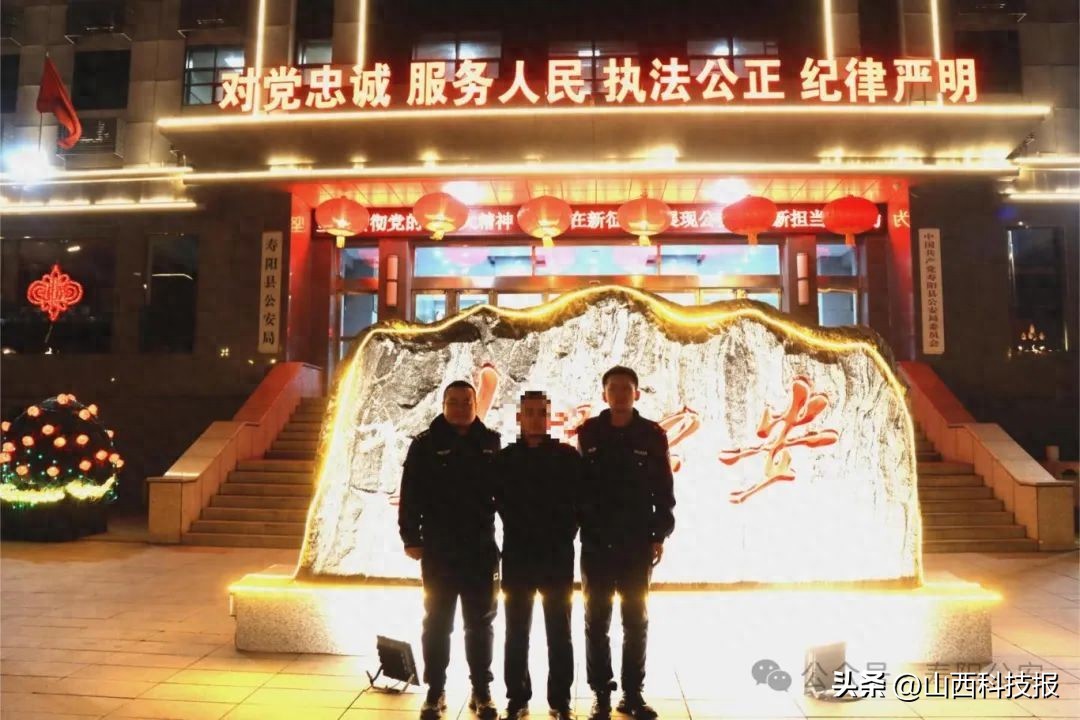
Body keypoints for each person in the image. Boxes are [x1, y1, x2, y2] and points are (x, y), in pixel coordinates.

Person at [576, 367, 675, 720]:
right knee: (596, 620)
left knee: (636, 619)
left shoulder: (652, 435)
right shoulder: (589, 433)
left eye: (626, 388)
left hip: (636, 541)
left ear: (636, 394)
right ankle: (601, 693)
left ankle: (632, 694)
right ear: (604, 394)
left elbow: (664, 488)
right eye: (613, 388)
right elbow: (579, 487)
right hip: (597, 541)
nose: (619, 394)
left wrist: (659, 534)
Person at [399, 380, 502, 720]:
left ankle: (481, 690)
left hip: (481, 549)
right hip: (439, 550)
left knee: (481, 623)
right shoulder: (425, 445)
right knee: (437, 622)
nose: (460, 407)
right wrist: (410, 537)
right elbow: (410, 493)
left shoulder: (491, 442)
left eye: (466, 401)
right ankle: (435, 690)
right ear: (443, 405)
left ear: (475, 404)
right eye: (453, 401)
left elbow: (505, 494)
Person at [495, 391, 584, 720]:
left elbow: (581, 502)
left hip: (557, 555)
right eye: (529, 412)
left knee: (559, 632)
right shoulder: (505, 459)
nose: (535, 418)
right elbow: (498, 502)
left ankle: (560, 700)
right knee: (516, 632)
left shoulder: (567, 457)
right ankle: (517, 698)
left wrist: (566, 533)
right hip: (517, 554)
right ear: (520, 418)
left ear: (549, 418)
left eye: (540, 413)